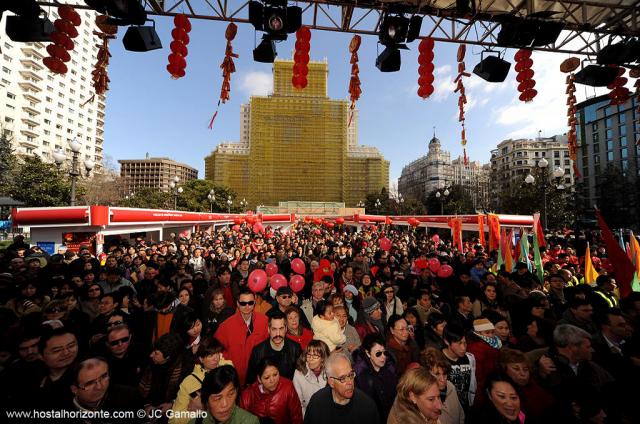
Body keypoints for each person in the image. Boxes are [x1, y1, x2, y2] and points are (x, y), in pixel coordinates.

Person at [304, 350, 379, 424]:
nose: (350, 382)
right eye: (342, 378)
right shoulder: (317, 403)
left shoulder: (367, 406)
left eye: (350, 375)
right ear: (331, 382)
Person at [170, 338, 233, 424]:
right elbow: (174, 419)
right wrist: (196, 413)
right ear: (201, 359)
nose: (216, 358)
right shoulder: (189, 382)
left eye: (217, 353)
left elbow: (232, 406)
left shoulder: (227, 370)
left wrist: (205, 407)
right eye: (210, 355)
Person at [214, 288, 269, 385]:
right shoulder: (226, 326)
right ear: (238, 304)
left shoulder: (264, 321)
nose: (247, 306)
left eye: (250, 303)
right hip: (234, 377)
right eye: (243, 303)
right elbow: (216, 350)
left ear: (255, 302)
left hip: (258, 376)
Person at [68, 357, 143, 419]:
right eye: (89, 383)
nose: (99, 387)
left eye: (103, 377)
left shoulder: (130, 396)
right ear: (74, 389)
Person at [139, 333, 191, 416]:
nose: (151, 355)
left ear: (168, 357)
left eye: (156, 353)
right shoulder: (151, 363)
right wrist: (147, 405)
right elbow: (141, 391)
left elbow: (188, 396)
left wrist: (172, 404)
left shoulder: (185, 370)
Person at [239, 357, 303, 424]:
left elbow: (297, 418)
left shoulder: (288, 387)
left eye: (275, 375)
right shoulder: (248, 395)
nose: (272, 380)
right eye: (267, 378)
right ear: (259, 379)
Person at [497, 348, 554, 423]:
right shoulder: (502, 393)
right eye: (516, 369)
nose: (522, 373)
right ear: (504, 370)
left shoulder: (534, 386)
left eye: (525, 369)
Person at [189, 365, 258, 424]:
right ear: (206, 401)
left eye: (230, 394)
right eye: (217, 398)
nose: (225, 404)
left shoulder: (250, 421)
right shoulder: (195, 422)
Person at [246, 311, 302, 383]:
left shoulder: (295, 348)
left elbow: (301, 377)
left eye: (281, 329)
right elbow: (250, 382)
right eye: (274, 329)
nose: (278, 334)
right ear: (269, 330)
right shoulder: (258, 351)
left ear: (286, 329)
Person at [352, 333, 397, 422]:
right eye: (378, 354)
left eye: (385, 352)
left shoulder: (390, 368)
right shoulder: (359, 374)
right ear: (368, 353)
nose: (383, 357)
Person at [420, 347, 465, 424]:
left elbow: (461, 415)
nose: (443, 379)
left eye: (444, 374)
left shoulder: (450, 386)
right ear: (426, 374)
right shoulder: (422, 398)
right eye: (437, 374)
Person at [466, 317, 502, 407]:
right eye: (487, 332)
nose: (490, 335)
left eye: (492, 332)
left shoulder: (491, 344)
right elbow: (478, 374)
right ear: (478, 333)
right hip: (483, 388)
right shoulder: (477, 348)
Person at [441, 323, 476, 412]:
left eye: (465, 343)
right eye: (459, 343)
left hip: (465, 408)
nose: (463, 348)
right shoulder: (439, 360)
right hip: (446, 410)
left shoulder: (469, 358)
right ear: (446, 341)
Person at [293, 340, 330, 416]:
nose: (310, 359)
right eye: (308, 355)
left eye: (315, 356)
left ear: (323, 358)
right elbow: (299, 404)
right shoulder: (298, 374)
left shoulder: (330, 372)